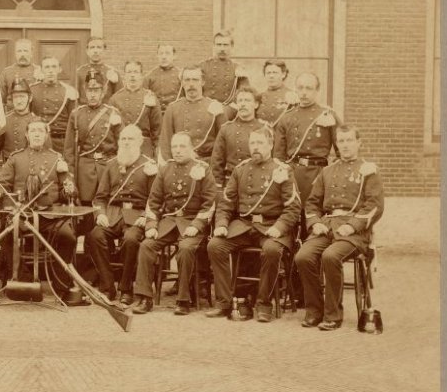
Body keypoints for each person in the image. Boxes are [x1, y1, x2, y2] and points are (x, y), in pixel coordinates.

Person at [206, 126, 301, 322]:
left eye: (260, 143)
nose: (255, 147)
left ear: (271, 145)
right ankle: (224, 302)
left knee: (272, 250)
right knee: (215, 245)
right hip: (244, 225)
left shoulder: (282, 170)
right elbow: (226, 203)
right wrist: (222, 223)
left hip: (271, 226)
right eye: (252, 143)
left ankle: (264, 303)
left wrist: (279, 228)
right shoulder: (240, 170)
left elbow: (293, 208)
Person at [295, 125, 384, 330]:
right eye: (341, 141)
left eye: (349, 140)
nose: (345, 145)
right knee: (303, 257)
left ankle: (333, 314)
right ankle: (314, 310)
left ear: (359, 143)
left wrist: (352, 226)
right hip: (327, 226)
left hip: (354, 232)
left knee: (330, 256)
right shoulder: (327, 171)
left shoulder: (368, 170)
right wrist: (315, 223)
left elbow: (375, 205)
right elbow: (312, 203)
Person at [129, 132, 217, 315]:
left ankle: (183, 300)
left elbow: (210, 202)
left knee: (185, 248)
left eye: (182, 146)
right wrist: (151, 226)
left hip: (192, 222)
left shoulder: (202, 168)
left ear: (191, 148)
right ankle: (145, 298)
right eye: (174, 146)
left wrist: (197, 225)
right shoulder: (165, 169)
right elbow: (153, 201)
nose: (177, 150)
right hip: (169, 222)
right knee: (146, 245)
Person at [0, 120, 80, 300]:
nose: (37, 134)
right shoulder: (16, 158)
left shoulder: (56, 158)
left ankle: (61, 285)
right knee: (5, 235)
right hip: (23, 214)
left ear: (46, 135)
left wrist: (66, 179)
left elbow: (70, 192)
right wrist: (1, 199)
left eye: (40, 131)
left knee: (69, 237)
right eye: (33, 131)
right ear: (27, 135)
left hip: (51, 216)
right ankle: (23, 280)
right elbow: (0, 184)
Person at [84, 124, 157, 303]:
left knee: (131, 239)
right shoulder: (111, 165)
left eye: (130, 139)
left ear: (139, 142)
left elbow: (155, 199)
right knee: (94, 235)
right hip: (113, 215)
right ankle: (107, 286)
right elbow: (100, 197)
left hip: (137, 216)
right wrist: (100, 214)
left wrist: (145, 217)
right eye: (123, 139)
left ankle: (126, 288)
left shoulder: (149, 166)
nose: (126, 142)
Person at [272, 72, 341, 212]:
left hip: (318, 175)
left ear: (317, 90)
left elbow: (342, 149)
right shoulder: (287, 117)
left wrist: (331, 175)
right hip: (293, 175)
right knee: (292, 213)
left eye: (309, 88)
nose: (304, 92)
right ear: (295, 89)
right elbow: (278, 156)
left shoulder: (327, 115)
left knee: (315, 213)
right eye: (300, 87)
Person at [64, 70, 123, 208]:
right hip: (84, 170)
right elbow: (69, 150)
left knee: (107, 206)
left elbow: (121, 145)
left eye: (96, 90)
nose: (92, 94)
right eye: (90, 90)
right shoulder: (76, 114)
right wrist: (70, 175)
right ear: (85, 91)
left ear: (103, 92)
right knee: (85, 208)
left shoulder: (113, 113)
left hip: (107, 167)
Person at [158, 65, 224, 163]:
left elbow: (222, 142)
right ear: (182, 83)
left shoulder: (215, 106)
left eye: (195, 80)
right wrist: (172, 164)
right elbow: (165, 143)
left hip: (208, 163)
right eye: (187, 80)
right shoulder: (172, 108)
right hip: (180, 164)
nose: (191, 84)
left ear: (202, 82)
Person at [210, 86, 272, 186]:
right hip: (231, 181)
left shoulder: (264, 128)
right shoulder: (226, 129)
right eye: (240, 100)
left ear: (256, 104)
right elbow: (217, 161)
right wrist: (218, 186)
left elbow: (271, 159)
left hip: (257, 181)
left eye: (247, 100)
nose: (243, 104)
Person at [0, 78, 49, 161]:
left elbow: (45, 153)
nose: (19, 101)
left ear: (30, 98)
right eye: (15, 97)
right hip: (9, 166)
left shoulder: (38, 122)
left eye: (22, 96)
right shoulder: (4, 121)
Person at [108, 61, 162, 157]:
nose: (132, 75)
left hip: (144, 147)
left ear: (141, 76)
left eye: (136, 72)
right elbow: (110, 130)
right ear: (124, 75)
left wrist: (157, 151)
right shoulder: (115, 99)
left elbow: (157, 128)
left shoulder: (150, 97)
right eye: (129, 72)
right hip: (122, 147)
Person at [29, 56, 77, 151]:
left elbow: (73, 121)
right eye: (47, 67)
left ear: (59, 69)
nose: (50, 71)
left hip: (61, 142)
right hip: (39, 141)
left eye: (54, 67)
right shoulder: (32, 90)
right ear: (41, 69)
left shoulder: (69, 91)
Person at [199, 30, 249, 113]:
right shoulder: (203, 66)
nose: (222, 49)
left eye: (225, 45)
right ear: (214, 46)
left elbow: (244, 92)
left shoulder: (238, 68)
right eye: (219, 45)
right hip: (206, 109)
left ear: (231, 46)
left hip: (229, 110)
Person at [75, 36, 120, 103]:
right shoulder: (79, 72)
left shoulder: (113, 71)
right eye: (92, 47)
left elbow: (119, 98)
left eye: (99, 47)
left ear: (104, 51)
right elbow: (74, 99)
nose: (95, 51)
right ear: (87, 51)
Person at [256, 59, 298, 127]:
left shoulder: (293, 96)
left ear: (283, 74)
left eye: (275, 73)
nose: (271, 76)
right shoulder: (259, 97)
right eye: (268, 73)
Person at [0, 38, 42, 103]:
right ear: (15, 53)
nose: (22, 54)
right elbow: (0, 99)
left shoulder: (40, 70)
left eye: (25, 51)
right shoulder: (6, 72)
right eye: (19, 51)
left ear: (31, 53)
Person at [143, 43, 183, 112]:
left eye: (167, 53)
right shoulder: (149, 77)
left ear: (174, 56)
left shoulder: (182, 75)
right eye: (161, 53)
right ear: (157, 56)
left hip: (176, 114)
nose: (163, 57)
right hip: (156, 115)